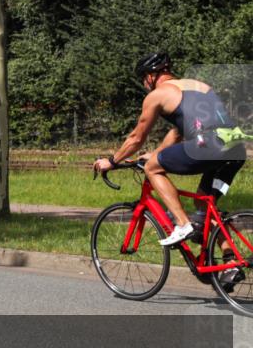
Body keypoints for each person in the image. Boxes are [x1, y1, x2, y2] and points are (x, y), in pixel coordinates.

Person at [93, 53, 246, 255]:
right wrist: (156, 153)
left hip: (208, 145)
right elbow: (177, 133)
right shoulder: (197, 85)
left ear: (150, 76)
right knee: (204, 203)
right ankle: (230, 260)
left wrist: (112, 161)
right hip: (235, 149)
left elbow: (136, 138)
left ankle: (183, 224)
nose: (144, 84)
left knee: (152, 168)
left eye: (143, 78)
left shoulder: (158, 95)